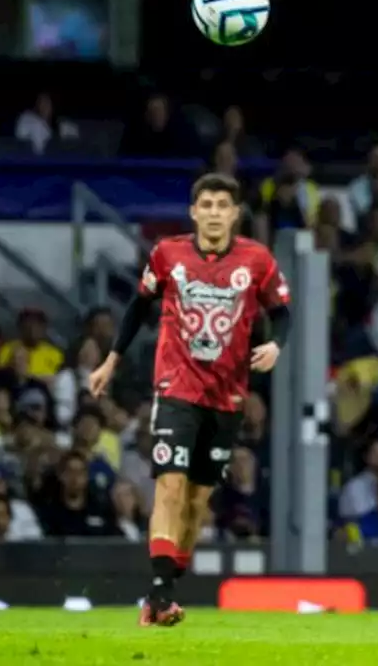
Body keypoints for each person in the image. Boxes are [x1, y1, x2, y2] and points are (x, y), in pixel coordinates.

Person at [87, 173, 291, 627]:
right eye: (207, 204)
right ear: (194, 211)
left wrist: (276, 345)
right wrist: (111, 361)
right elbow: (139, 306)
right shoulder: (167, 254)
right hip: (176, 386)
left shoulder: (256, 260)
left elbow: (283, 313)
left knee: (198, 500)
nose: (215, 212)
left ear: (235, 214)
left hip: (227, 395)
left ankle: (165, 584)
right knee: (170, 484)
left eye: (223, 205)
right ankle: (160, 594)